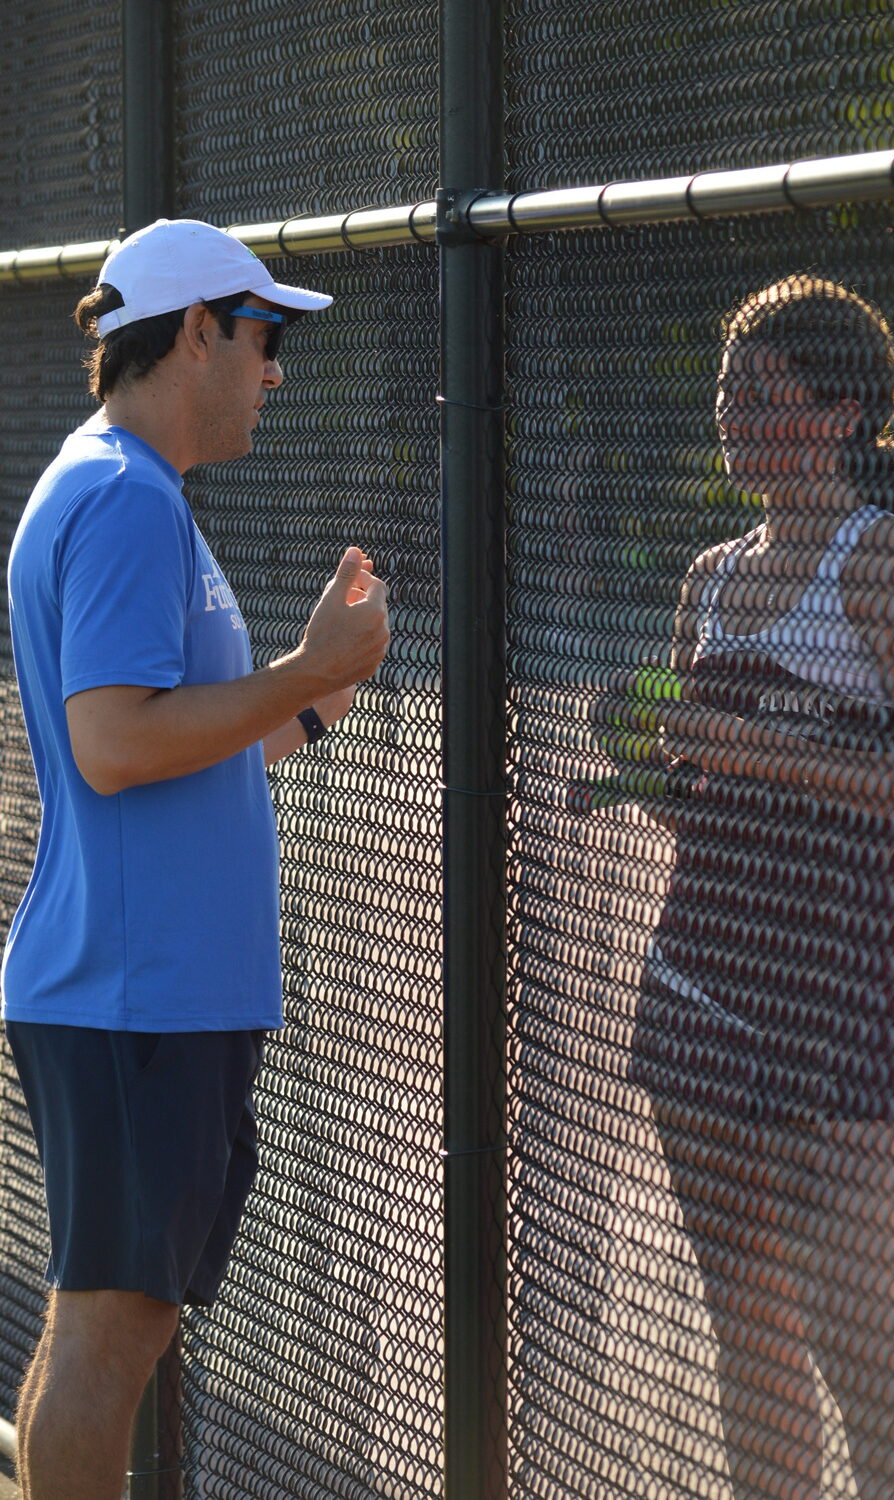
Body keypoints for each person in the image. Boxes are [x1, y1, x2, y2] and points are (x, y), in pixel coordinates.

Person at [0, 218, 390, 1500]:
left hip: (152, 993)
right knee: (110, 1338)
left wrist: (315, 699)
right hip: (135, 993)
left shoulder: (126, 490)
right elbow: (114, 744)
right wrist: (302, 669)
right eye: (264, 337)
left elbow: (184, 745)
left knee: (117, 1323)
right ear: (199, 331)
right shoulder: (119, 498)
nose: (276, 370)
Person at [609, 276, 894, 1498]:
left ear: (840, 411)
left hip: (841, 979)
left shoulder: (883, 564)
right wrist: (644, 772)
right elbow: (698, 786)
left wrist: (762, 750)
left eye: (760, 389)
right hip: (701, 971)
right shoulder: (711, 576)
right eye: (724, 387)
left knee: (857, 1333)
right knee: (745, 1323)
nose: (729, 410)